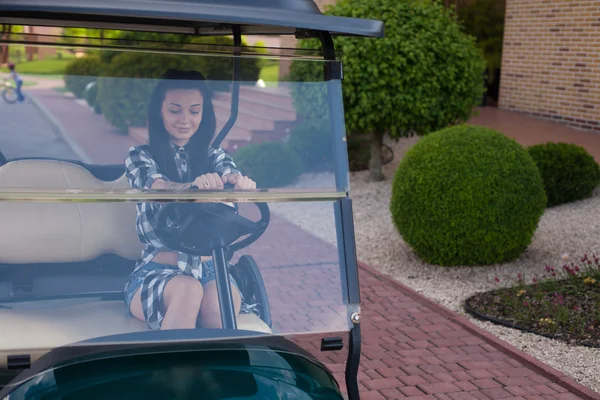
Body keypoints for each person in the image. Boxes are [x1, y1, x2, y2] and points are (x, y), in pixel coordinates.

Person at [123, 68, 256, 331]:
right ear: (159, 112)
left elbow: (230, 171)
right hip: (158, 271)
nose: (185, 119)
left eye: (194, 111)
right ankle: (170, 372)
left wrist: (239, 182)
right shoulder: (140, 156)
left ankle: (218, 372)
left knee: (219, 306)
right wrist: (191, 188)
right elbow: (157, 186)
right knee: (188, 291)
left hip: (212, 270)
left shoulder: (214, 156)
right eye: (175, 110)